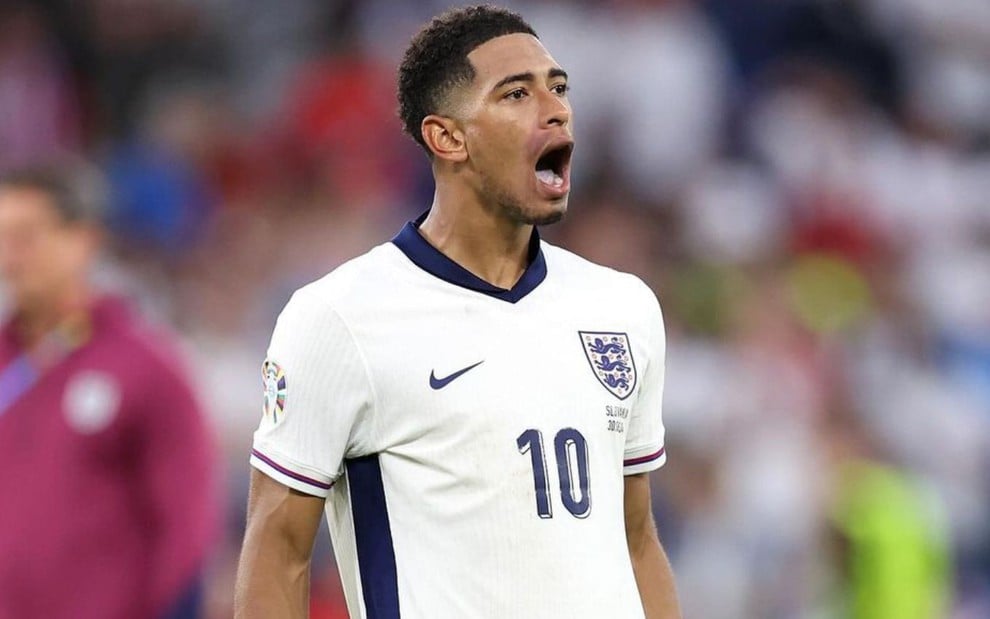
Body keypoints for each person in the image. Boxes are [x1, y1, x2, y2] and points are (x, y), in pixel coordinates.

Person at [236, 5, 681, 618]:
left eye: (558, 87)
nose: (555, 108)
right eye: (516, 94)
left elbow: (636, 539)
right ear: (446, 138)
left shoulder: (622, 307)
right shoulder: (339, 318)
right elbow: (278, 550)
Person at [0, 163, 217, 618]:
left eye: (26, 236)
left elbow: (186, 528)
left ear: (84, 240)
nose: (10, 256)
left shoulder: (147, 368)